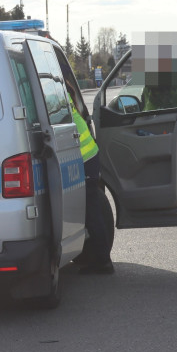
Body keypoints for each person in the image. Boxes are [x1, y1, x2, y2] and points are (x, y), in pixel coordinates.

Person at [66, 85, 115, 275]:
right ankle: (101, 258)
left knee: (92, 213)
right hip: (89, 157)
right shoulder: (64, 97)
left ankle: (103, 261)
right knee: (91, 210)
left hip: (85, 160)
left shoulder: (53, 98)